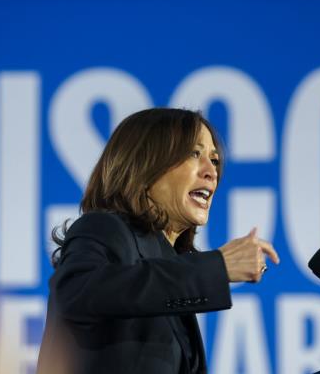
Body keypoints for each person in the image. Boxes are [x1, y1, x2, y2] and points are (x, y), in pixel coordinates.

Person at [37, 108, 279, 374]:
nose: (212, 172)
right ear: (145, 164)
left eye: (215, 159)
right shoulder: (105, 228)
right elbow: (76, 294)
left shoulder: (166, 262)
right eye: (194, 154)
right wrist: (216, 268)